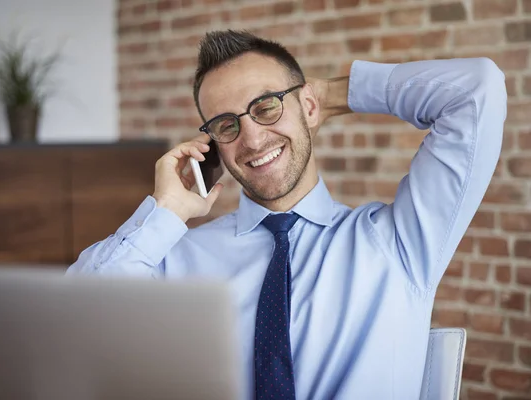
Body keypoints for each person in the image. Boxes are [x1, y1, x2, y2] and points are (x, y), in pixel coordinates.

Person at [68, 30, 506, 399]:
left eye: (267, 106)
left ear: (308, 108)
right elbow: (73, 321)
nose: (253, 139)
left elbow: (476, 90)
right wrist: (167, 212)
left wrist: (333, 94)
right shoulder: (177, 257)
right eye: (226, 124)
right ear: (213, 144)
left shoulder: (401, 243)